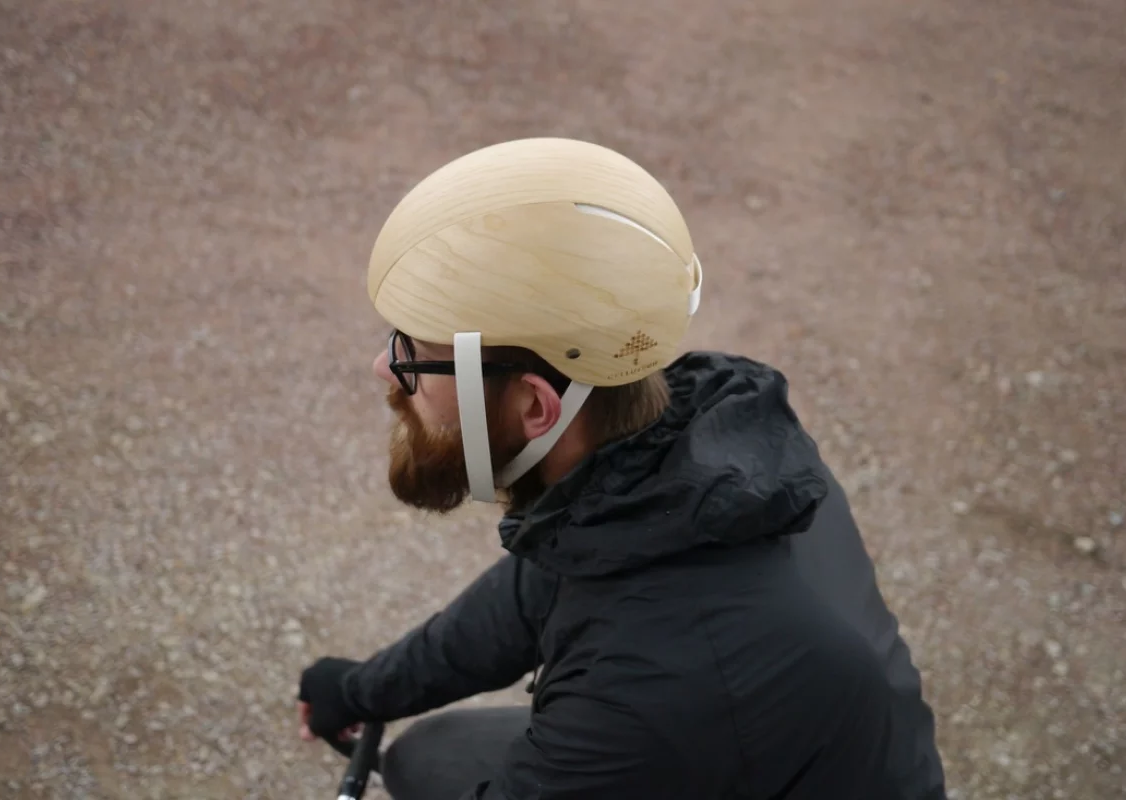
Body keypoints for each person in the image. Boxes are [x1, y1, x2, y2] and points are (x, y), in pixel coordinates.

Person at [296, 137, 948, 799]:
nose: (385, 368)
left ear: (534, 405)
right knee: (430, 757)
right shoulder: (681, 465)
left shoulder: (642, 686)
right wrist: (364, 689)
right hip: (759, 746)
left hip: (703, 730)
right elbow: (535, 588)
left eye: (412, 354)